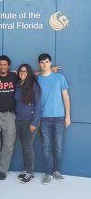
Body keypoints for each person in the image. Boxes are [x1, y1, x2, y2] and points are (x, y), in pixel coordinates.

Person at [37, 53, 71, 184]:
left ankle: (57, 171)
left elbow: (66, 97)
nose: (44, 64)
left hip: (59, 117)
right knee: (46, 147)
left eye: (46, 61)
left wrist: (67, 117)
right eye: (42, 62)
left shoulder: (60, 77)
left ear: (50, 62)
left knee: (58, 147)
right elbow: (27, 75)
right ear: (39, 64)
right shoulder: (37, 79)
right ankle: (48, 173)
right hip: (43, 118)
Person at [15, 64, 41, 183]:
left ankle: (30, 173)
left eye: (25, 71)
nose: (23, 73)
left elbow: (38, 105)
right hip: (19, 120)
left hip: (30, 121)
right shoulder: (18, 85)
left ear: (29, 73)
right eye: (21, 71)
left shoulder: (33, 85)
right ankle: (26, 169)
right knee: (24, 147)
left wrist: (34, 122)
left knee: (28, 147)